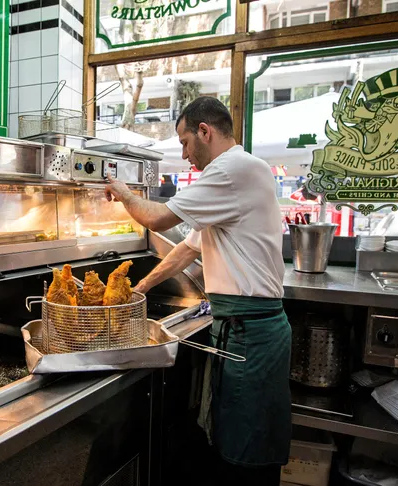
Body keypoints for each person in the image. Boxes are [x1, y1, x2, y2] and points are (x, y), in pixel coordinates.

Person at [104, 97, 291, 485]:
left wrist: (123, 192)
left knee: (248, 452)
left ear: (205, 131)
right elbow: (187, 248)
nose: (185, 154)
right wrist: (139, 288)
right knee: (233, 442)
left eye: (186, 142)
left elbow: (156, 217)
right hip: (239, 328)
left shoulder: (232, 169)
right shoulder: (232, 178)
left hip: (251, 332)